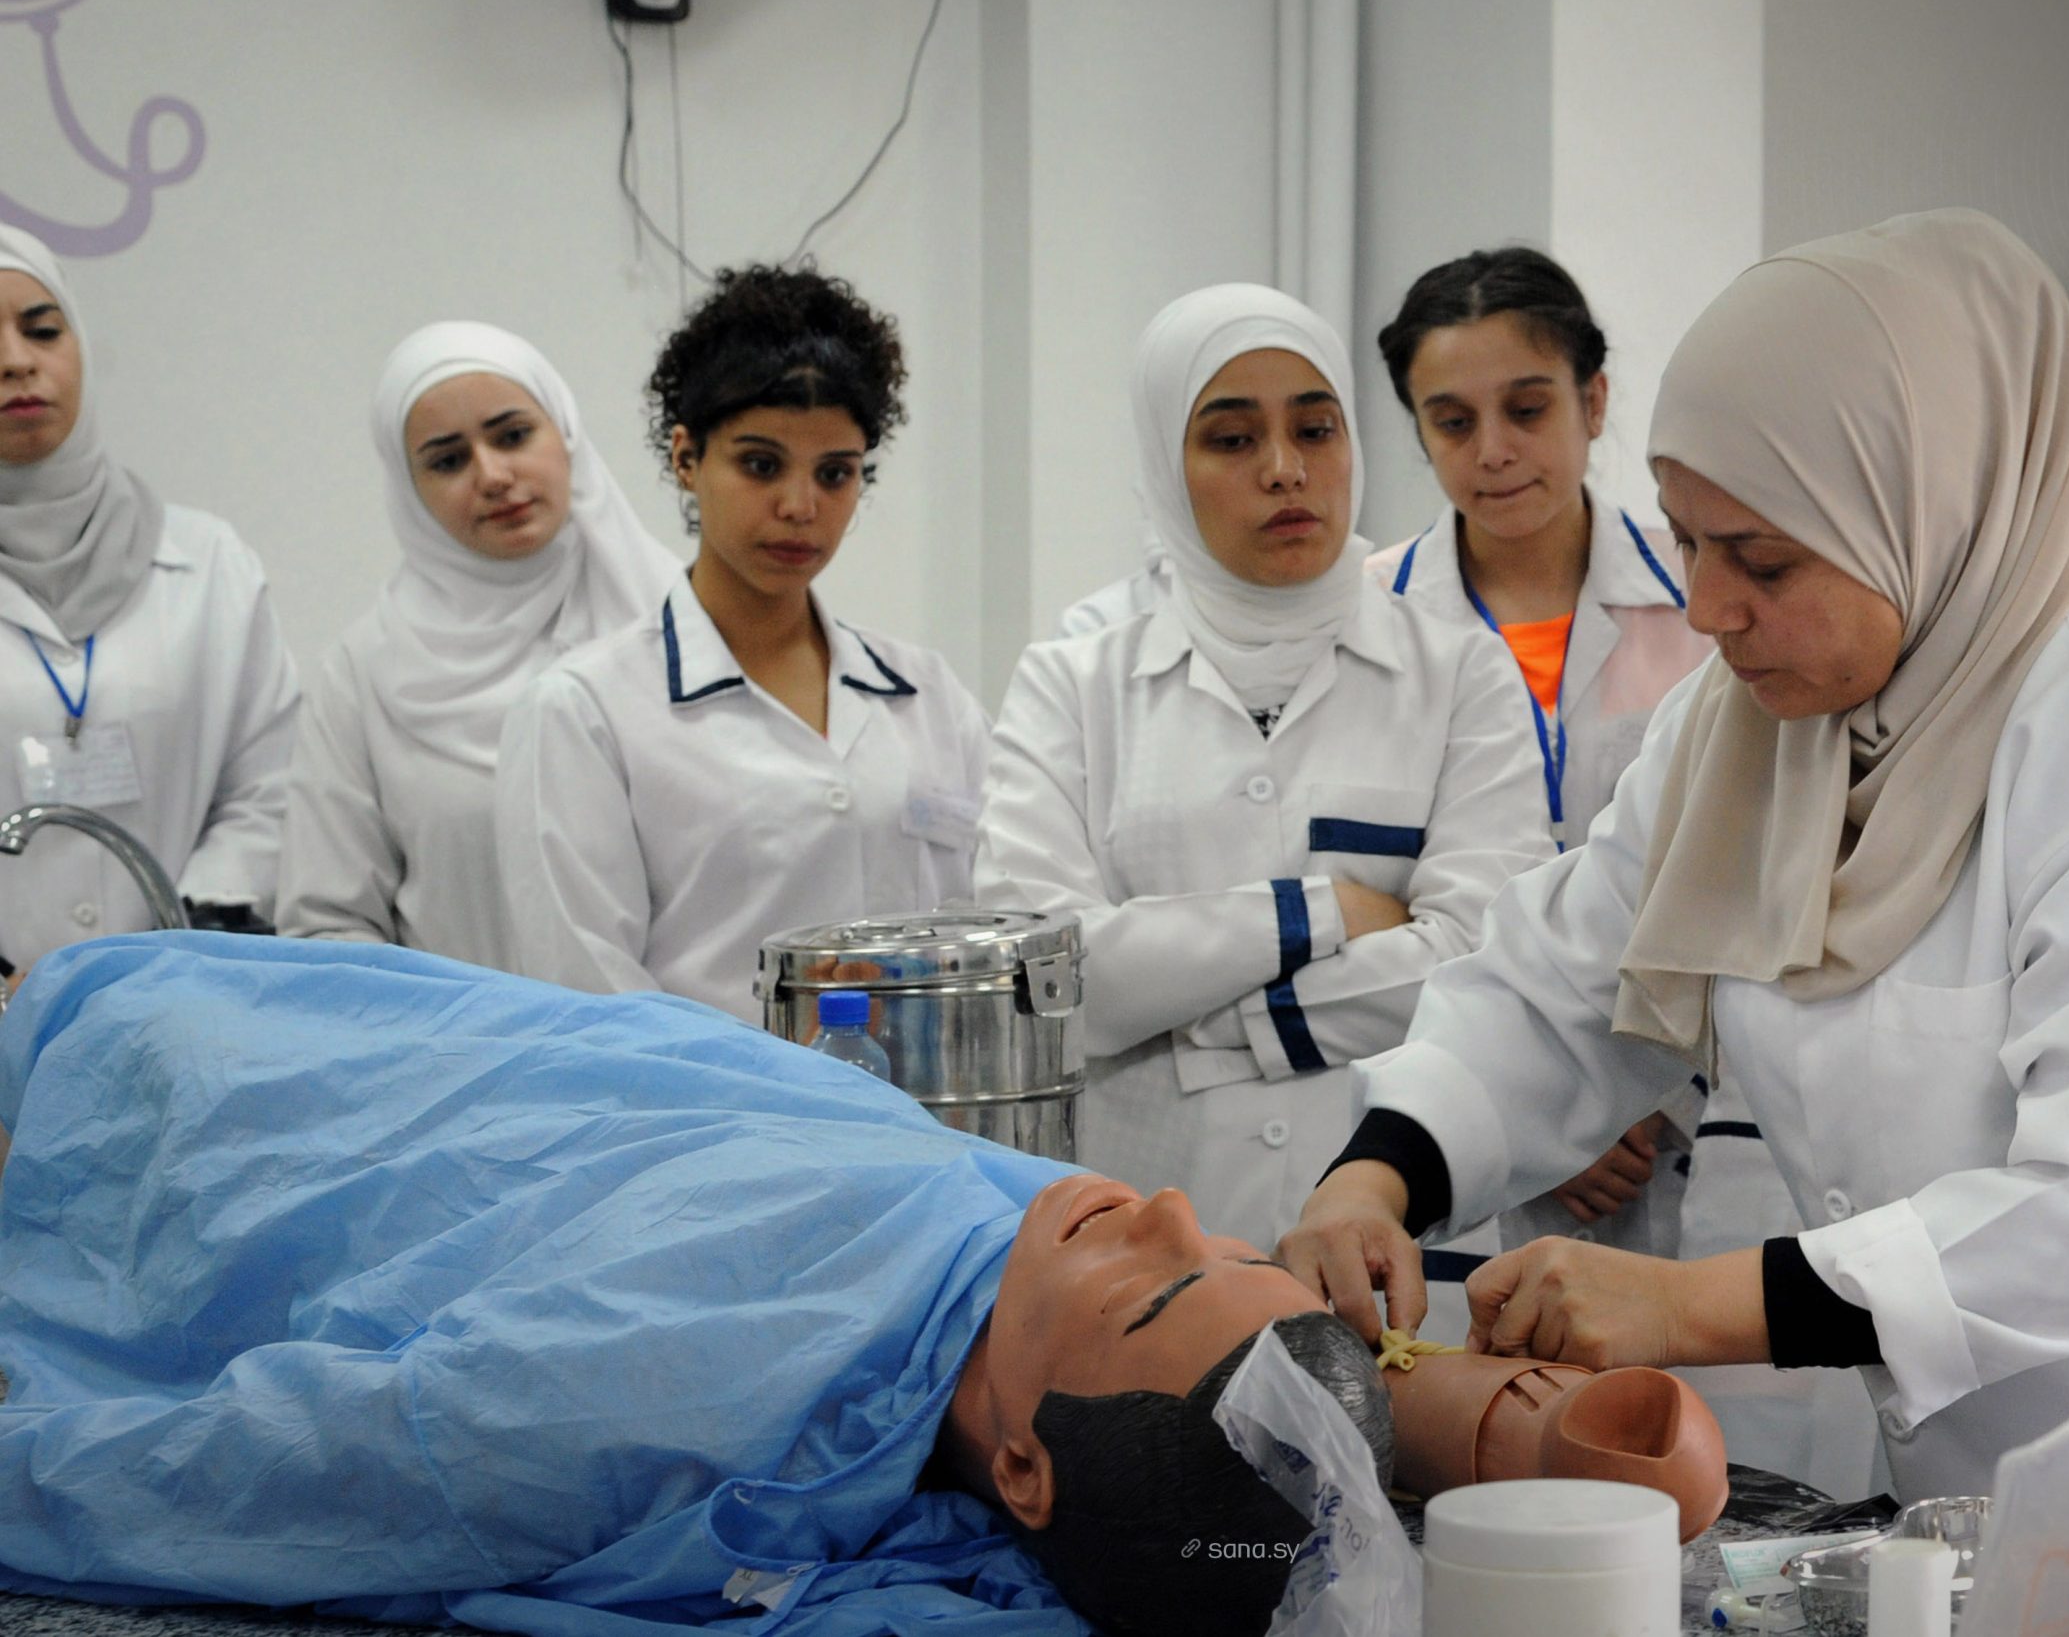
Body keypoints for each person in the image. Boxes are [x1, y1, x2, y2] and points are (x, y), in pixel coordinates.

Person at [1278, 209, 2069, 1598]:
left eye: (1764, 560)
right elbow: (1561, 980)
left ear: (1920, 511)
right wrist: (1378, 1173)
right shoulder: (1748, 727)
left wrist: (1681, 1305)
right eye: (1688, 542)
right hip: (2004, 1460)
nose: (1708, 609)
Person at [0, 933, 1718, 1636]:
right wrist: (1495, 1410)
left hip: (170, 1116)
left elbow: (228, 1465)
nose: (1163, 1205)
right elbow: (1275, 1418)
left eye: (1155, 1282)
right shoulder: (1035, 1254)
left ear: (1022, 1467)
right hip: (410, 1039)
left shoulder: (611, 1395)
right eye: (1226, 1255)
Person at [1369, 247, 1877, 1495]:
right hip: (1477, 1098)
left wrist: (1632, 1088)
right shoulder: (1371, 624)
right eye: (1452, 420)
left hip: (1693, 1124)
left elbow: (1709, 905)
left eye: (1526, 407)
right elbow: (1511, 956)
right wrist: (1442, 1139)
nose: (1494, 450)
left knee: (1729, 1480)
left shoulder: (1717, 601)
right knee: (1498, 1466)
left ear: (1594, 401)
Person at [974, 283, 1553, 1249]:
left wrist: (1205, 1023)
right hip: (1151, 1252)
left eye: (1316, 430)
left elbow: (1483, 966)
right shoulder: (1072, 684)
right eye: (1233, 439)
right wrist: (1325, 912)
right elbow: (1050, 987)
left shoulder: (1460, 675)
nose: (1286, 470)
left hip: (1397, 1249)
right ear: (1166, 465)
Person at [496, 264, 986, 1022]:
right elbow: (589, 997)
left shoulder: (929, 695)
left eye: (835, 473)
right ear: (686, 459)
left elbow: (989, 929)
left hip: (922, 1094)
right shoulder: (584, 710)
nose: (800, 506)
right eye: (761, 465)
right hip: (695, 1099)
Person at [277, 322, 676, 965]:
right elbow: (327, 924)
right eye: (448, 461)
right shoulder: (366, 670)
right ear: (409, 489)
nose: (492, 475)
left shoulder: (676, 620)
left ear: (565, 433)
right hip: (457, 1029)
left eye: (513, 436)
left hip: (680, 1026)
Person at [0, 222, 298, 986]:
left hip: (186, 998)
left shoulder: (209, 561)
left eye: (42, 330)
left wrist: (180, 948)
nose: (16, 361)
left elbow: (269, 786)